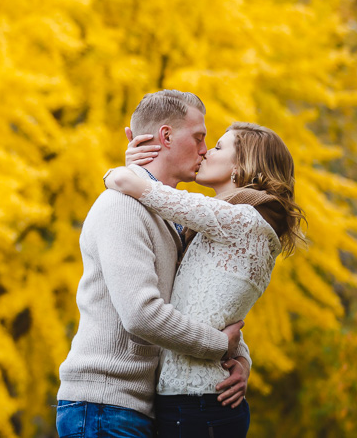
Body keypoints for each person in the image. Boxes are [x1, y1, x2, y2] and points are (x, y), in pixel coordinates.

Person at [56, 91, 250, 438]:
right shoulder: (123, 207)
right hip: (104, 407)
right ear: (165, 137)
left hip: (135, 408)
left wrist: (240, 358)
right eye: (199, 137)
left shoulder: (170, 216)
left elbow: (198, 300)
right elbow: (141, 314)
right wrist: (219, 345)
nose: (204, 150)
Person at [103, 121, 306, 438]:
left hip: (198, 407)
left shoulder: (243, 219)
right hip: (193, 404)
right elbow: (214, 306)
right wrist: (241, 357)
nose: (207, 151)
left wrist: (128, 170)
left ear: (241, 165)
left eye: (219, 147)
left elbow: (149, 191)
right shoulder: (234, 224)